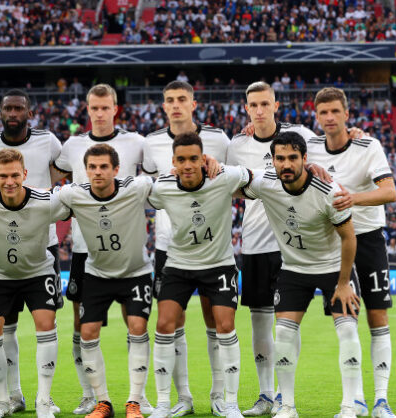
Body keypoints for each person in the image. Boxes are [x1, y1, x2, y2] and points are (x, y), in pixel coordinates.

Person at [242, 132, 361, 418]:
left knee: (347, 330)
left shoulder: (328, 190)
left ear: (305, 159)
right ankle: (287, 406)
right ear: (272, 161)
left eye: (293, 158)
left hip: (334, 269)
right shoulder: (266, 183)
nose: (286, 164)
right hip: (294, 269)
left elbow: (349, 238)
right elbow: (233, 179)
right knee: (283, 333)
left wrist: (344, 283)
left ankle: (349, 406)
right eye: (280, 158)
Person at [52, 84, 151, 415]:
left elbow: (157, 176)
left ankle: (139, 396)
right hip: (85, 249)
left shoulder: (137, 143)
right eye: (94, 108)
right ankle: (89, 394)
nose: (99, 113)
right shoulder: (72, 145)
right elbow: (52, 179)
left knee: (134, 321)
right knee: (82, 325)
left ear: (115, 109)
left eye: (105, 107)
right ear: (87, 109)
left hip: (127, 250)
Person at [307, 87, 396, 418]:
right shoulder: (310, 147)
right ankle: (356, 399)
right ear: (316, 116)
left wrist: (352, 199)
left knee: (377, 317)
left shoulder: (368, 145)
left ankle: (381, 401)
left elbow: (389, 192)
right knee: (346, 321)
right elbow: (275, 142)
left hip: (368, 239)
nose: (329, 117)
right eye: (323, 112)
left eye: (335, 111)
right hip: (333, 244)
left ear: (347, 114)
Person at [227, 81, 317, 416]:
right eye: (254, 105)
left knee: (287, 323)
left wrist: (352, 132)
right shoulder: (237, 145)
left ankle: (284, 396)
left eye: (265, 103)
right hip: (255, 243)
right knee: (260, 323)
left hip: (291, 244)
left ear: (276, 105)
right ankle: (266, 395)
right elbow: (225, 182)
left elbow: (330, 149)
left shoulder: (300, 135)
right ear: (246, 108)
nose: (260, 110)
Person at [148, 132, 251, 418]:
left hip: (218, 264)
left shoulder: (224, 178)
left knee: (225, 325)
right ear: (173, 161)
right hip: (178, 265)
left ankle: (227, 401)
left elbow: (255, 176)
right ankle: (168, 402)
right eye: (181, 160)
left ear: (203, 159)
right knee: (164, 324)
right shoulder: (163, 186)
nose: (188, 165)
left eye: (194, 158)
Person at [142, 80, 230, 417]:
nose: (176, 104)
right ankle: (183, 398)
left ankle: (219, 395)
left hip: (212, 247)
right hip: (169, 246)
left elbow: (238, 175)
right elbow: (149, 189)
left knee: (214, 319)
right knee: (171, 323)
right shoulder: (150, 143)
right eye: (170, 100)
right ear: (163, 105)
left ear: (193, 103)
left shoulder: (219, 139)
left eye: (182, 99)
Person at [0, 149, 67, 418]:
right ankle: (6, 400)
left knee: (46, 325)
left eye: (15, 175)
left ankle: (44, 400)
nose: (9, 181)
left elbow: (74, 202)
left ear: (25, 174)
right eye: (3, 176)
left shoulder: (45, 201)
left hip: (38, 272)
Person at [0, 89, 63, 414]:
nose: (13, 113)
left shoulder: (48, 140)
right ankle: (12, 396)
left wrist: (44, 197)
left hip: (43, 242)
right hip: (3, 243)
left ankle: (45, 398)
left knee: (46, 321)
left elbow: (64, 174)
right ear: (0, 112)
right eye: (7, 108)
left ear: (29, 112)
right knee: (5, 326)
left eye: (18, 108)